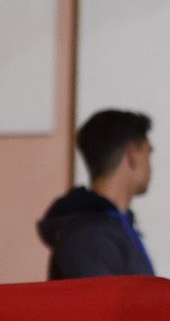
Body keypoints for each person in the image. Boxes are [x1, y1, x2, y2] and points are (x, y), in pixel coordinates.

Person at [37, 108, 155, 279]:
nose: (151, 166)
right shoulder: (89, 236)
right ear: (131, 155)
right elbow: (104, 304)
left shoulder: (110, 226)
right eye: (148, 152)